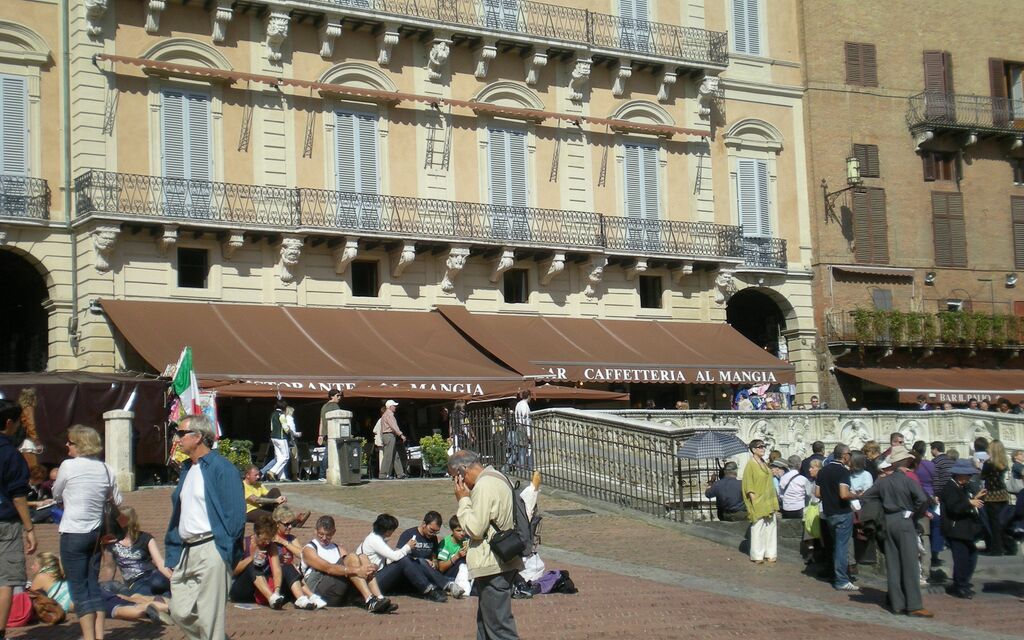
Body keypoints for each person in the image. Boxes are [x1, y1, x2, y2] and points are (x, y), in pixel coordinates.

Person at [165, 413, 246, 640]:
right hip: (186, 549)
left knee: (210, 619)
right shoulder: (187, 469)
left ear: (199, 436)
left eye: (181, 433)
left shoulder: (221, 468)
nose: (177, 438)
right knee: (179, 611)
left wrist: (224, 551)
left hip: (213, 546)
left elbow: (236, 517)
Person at [53, 425, 122, 640]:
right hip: (96, 533)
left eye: (70, 442)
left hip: (73, 531)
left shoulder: (68, 466)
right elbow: (117, 500)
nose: (67, 445)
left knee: (78, 586)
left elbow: (56, 494)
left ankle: (89, 637)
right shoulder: (105, 468)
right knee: (93, 583)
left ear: (80, 445)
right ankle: (99, 635)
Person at [449, 449, 523, 640]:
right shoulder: (498, 476)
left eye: (454, 478)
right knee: (485, 626)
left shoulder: (483, 485)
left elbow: (474, 529)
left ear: (462, 471)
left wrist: (463, 500)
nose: (456, 484)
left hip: (492, 563)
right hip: (502, 557)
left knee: (499, 628)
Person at [862, 447, 931, 617]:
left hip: (888, 521)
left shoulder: (883, 481)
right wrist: (915, 514)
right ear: (906, 462)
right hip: (905, 520)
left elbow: (866, 496)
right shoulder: (907, 480)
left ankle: (897, 603)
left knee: (893, 563)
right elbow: (922, 499)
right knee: (909, 564)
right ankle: (914, 605)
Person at [300, 515, 394, 612]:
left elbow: (354, 563)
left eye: (328, 535)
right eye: (321, 534)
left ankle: (379, 598)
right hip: (317, 591)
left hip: (337, 590)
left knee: (363, 557)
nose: (324, 538)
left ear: (334, 532)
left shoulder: (337, 548)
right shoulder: (309, 549)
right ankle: (369, 600)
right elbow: (328, 568)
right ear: (315, 531)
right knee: (352, 557)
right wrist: (358, 570)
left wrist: (370, 567)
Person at [0, 399, 36, 640]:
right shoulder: (10, 453)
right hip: (5, 520)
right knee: (6, 578)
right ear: (9, 423)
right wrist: (29, 526)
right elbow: (18, 494)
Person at [356, 513, 452, 602]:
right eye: (392, 530)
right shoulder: (375, 540)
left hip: (376, 576)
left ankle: (435, 586)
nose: (393, 532)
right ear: (387, 530)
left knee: (408, 562)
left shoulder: (375, 537)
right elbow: (395, 556)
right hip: (372, 582)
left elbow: (390, 557)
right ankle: (429, 590)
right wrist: (407, 547)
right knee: (404, 561)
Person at [102, 505, 172, 596]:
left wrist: (172, 578)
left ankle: (166, 599)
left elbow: (160, 563)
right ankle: (166, 600)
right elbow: (109, 568)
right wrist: (106, 588)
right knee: (145, 593)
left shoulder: (145, 538)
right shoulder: (111, 543)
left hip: (152, 575)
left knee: (157, 582)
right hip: (135, 582)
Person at [816, 444, 859, 591]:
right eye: (850, 455)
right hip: (842, 512)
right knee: (842, 547)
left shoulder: (822, 471)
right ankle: (841, 579)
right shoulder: (842, 471)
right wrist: (858, 494)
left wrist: (829, 496)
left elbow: (817, 493)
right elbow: (844, 494)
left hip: (828, 513)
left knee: (835, 545)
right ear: (845, 455)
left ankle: (835, 574)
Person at [939, 459, 985, 599]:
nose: (970, 477)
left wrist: (974, 498)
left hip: (965, 529)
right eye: (968, 475)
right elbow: (954, 507)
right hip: (955, 529)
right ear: (960, 475)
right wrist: (969, 502)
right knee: (962, 559)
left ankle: (962, 583)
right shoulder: (949, 487)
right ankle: (960, 586)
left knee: (971, 556)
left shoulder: (963, 487)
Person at [742, 440, 778, 564]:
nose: (763, 448)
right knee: (758, 527)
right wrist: (753, 498)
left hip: (768, 499)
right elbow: (748, 483)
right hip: (758, 500)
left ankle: (770, 553)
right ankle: (757, 554)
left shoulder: (764, 463)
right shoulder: (750, 464)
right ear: (753, 449)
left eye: (764, 446)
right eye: (760, 447)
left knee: (771, 526)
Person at [979, 439, 1011, 555]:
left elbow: (982, 477)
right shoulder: (1003, 463)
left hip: (991, 495)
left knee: (994, 523)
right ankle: (1006, 546)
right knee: (1002, 521)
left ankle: (996, 548)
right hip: (1002, 493)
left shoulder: (988, 463)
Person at [261, 400, 291, 481]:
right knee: (285, 457)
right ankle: (272, 471)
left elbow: (271, 427)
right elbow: (285, 428)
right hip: (281, 437)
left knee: (279, 457)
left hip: (273, 437)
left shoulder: (273, 414)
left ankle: (282, 476)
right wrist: (289, 429)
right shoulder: (281, 415)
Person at [378, 401, 408, 480]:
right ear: (390, 406)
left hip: (387, 436)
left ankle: (400, 473)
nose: (395, 407)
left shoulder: (384, 415)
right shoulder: (389, 415)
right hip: (389, 435)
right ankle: (383, 474)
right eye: (394, 406)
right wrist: (401, 434)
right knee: (388, 455)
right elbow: (394, 426)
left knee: (395, 455)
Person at [317, 389, 342, 481]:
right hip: (333, 433)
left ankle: (323, 474)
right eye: (338, 396)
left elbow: (321, 422)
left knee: (328, 454)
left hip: (326, 434)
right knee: (329, 455)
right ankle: (322, 475)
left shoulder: (324, 406)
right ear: (332, 396)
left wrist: (320, 435)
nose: (339, 398)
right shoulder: (335, 406)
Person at [511, 390, 533, 472]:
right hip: (523, 428)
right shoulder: (525, 406)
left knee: (520, 449)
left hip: (518, 427)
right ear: (529, 396)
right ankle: (522, 468)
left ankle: (520, 466)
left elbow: (517, 416)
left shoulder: (518, 404)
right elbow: (526, 420)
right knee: (523, 449)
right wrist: (528, 433)